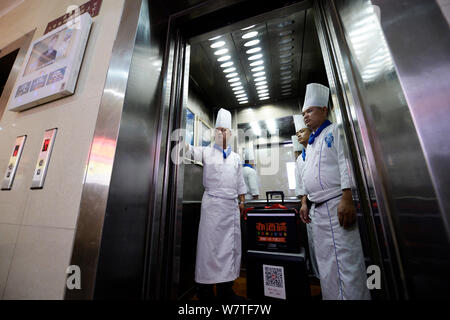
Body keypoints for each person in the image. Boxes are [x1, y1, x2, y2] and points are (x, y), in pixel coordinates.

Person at [299, 83, 370, 300]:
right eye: (304, 113)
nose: (306, 116)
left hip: (336, 204)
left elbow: (345, 162)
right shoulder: (311, 143)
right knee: (327, 263)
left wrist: (347, 197)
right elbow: (307, 176)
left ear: (324, 109)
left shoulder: (336, 130)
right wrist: (306, 202)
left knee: (347, 262)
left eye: (310, 111)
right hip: (318, 210)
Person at [185, 108, 247, 301]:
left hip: (231, 208)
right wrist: (182, 136)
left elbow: (239, 182)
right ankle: (204, 292)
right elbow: (188, 150)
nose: (221, 133)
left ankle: (225, 291)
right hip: (212, 207)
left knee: (230, 249)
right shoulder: (205, 152)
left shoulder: (236, 157)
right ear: (214, 133)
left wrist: (242, 200)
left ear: (230, 133)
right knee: (209, 250)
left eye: (225, 130)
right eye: (218, 129)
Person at [293, 114, 320, 280]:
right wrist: (304, 204)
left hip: (323, 202)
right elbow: (302, 186)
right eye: (297, 133)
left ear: (311, 131)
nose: (298, 135)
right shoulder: (299, 159)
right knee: (314, 246)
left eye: (301, 131)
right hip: (310, 207)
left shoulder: (317, 149)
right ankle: (321, 282)